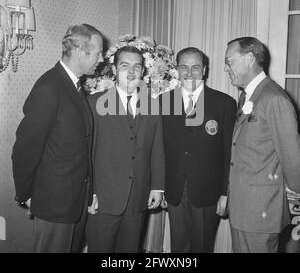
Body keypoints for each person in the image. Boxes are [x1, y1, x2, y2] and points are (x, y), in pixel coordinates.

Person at [11, 24, 104, 253]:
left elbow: (82, 146)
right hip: (54, 204)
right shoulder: (49, 87)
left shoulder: (74, 86)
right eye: (98, 52)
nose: (101, 59)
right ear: (80, 52)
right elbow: (25, 148)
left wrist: (90, 191)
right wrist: (26, 194)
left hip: (75, 203)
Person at [225, 36, 300, 253]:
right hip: (245, 207)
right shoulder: (249, 97)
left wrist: (295, 195)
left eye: (229, 61)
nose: (225, 68)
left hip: (260, 210)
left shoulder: (273, 98)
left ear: (249, 58)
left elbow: (292, 158)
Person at [86, 45, 165, 253]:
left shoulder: (153, 106)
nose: (131, 73)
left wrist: (157, 186)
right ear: (113, 70)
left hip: (138, 197)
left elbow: (157, 149)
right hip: (103, 198)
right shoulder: (93, 104)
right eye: (124, 66)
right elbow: (86, 153)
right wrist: (90, 192)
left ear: (143, 71)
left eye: (137, 67)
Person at [162, 47, 236, 253]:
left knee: (202, 247)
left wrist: (225, 192)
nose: (189, 73)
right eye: (184, 67)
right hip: (174, 189)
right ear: (176, 70)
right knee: (178, 246)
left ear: (204, 70)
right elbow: (158, 151)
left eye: (195, 67)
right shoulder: (163, 102)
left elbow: (229, 153)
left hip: (208, 191)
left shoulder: (224, 104)